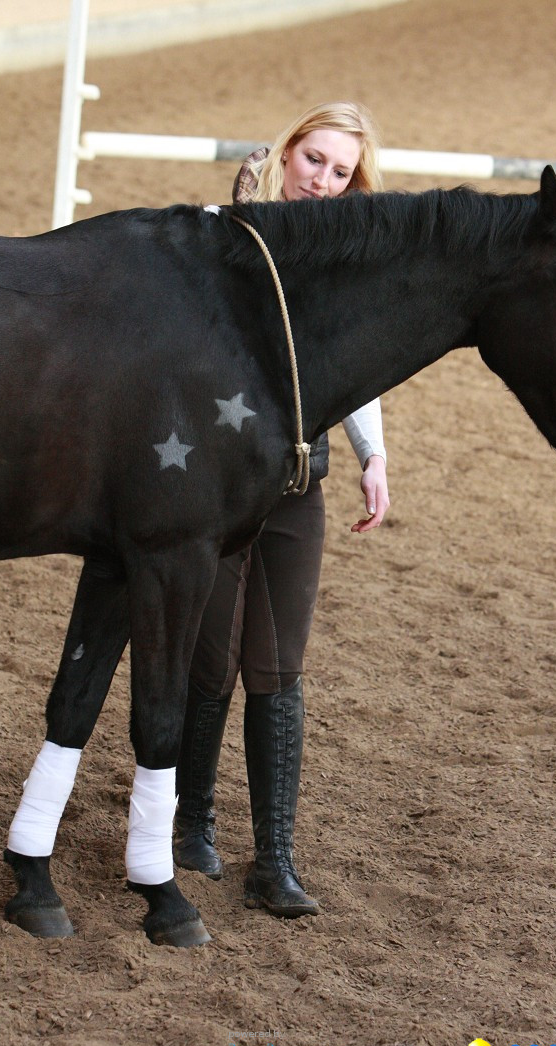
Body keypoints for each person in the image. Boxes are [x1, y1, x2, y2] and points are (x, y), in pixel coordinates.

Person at [173, 103, 389, 918]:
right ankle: (190, 821)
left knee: (279, 666)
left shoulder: (346, 261)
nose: (323, 180)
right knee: (209, 656)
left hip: (302, 482)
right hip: (224, 482)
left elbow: (356, 370)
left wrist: (375, 458)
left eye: (340, 172)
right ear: (289, 149)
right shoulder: (223, 229)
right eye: (315, 159)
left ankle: (275, 858)